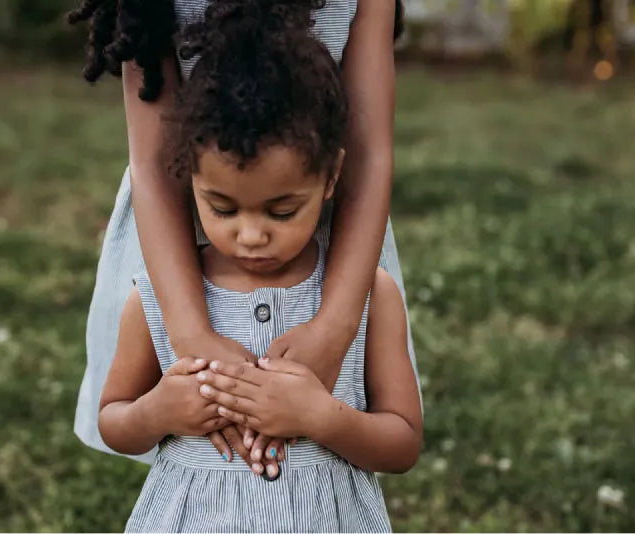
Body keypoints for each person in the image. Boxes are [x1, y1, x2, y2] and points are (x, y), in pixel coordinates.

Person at [96, 2, 422, 529]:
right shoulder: (152, 300)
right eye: (223, 210)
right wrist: (186, 344)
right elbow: (117, 417)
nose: (251, 235)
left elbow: (403, 441)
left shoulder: (370, 301)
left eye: (281, 211)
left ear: (328, 179)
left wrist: (334, 337)